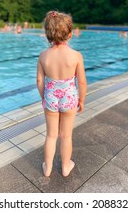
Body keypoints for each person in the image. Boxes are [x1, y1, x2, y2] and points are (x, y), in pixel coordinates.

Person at [36, 10, 87, 178]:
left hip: (50, 97)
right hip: (69, 98)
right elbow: (81, 82)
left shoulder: (43, 55)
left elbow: (39, 81)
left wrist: (44, 97)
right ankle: (66, 166)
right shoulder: (76, 56)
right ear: (70, 34)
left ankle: (48, 167)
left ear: (47, 34)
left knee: (51, 135)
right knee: (66, 136)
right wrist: (81, 99)